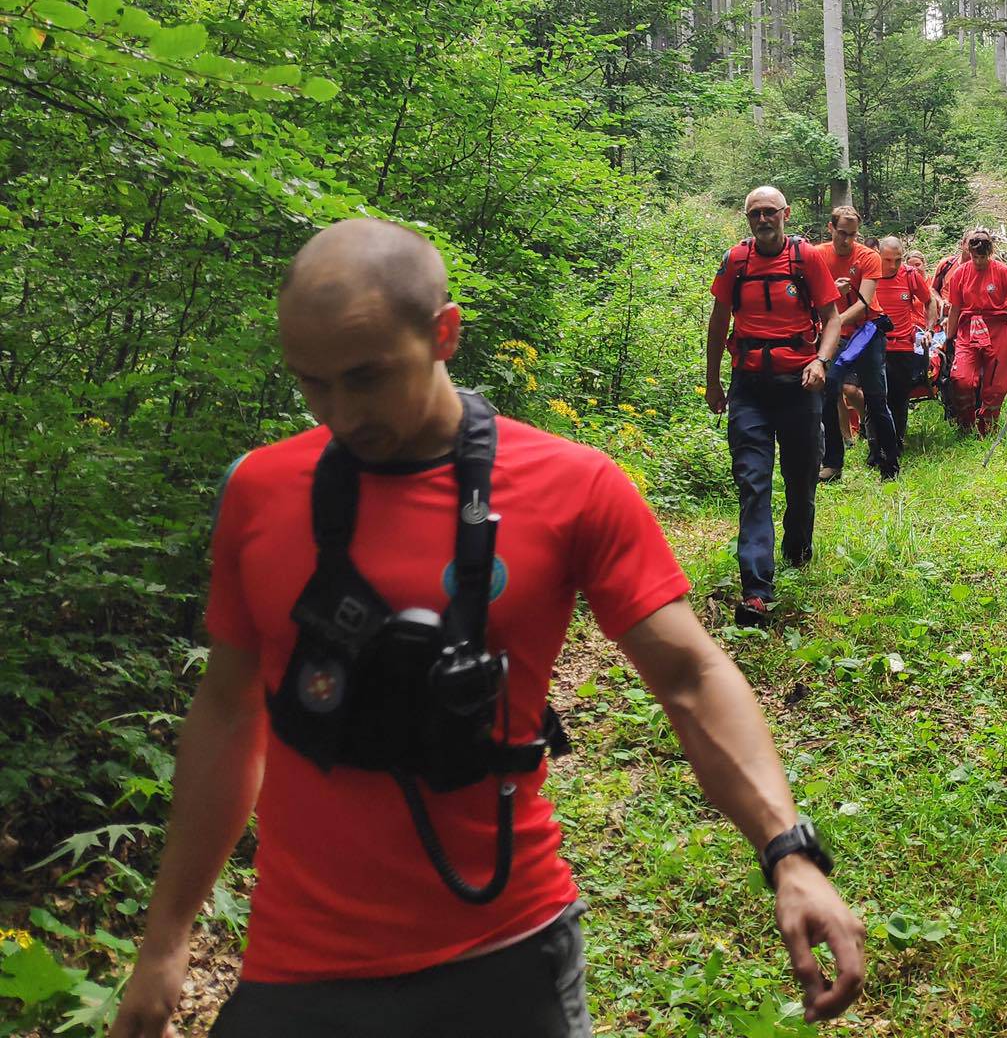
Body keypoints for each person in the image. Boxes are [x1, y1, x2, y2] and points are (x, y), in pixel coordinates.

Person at [109, 218, 865, 1038]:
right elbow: (226, 714)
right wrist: (164, 940)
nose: (338, 411)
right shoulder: (259, 492)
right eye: (312, 384)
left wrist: (788, 850)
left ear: (445, 333)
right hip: (299, 969)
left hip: (509, 954)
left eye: (365, 377)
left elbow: (691, 677)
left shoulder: (570, 486)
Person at [707, 187, 846, 625]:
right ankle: (757, 590)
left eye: (770, 212)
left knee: (802, 480)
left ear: (786, 214)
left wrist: (822, 361)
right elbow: (718, 321)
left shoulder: (807, 259)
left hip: (800, 386)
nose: (763, 220)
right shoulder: (736, 262)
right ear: (747, 218)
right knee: (753, 482)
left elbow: (833, 318)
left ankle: (798, 547)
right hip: (749, 386)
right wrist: (713, 380)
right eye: (755, 214)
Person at [817, 205, 897, 481]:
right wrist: (831, 299)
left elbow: (864, 301)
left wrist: (835, 320)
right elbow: (810, 299)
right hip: (835, 335)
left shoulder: (868, 257)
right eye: (842, 233)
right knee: (828, 391)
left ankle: (888, 460)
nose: (848, 240)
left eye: (853, 234)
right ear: (831, 229)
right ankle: (832, 463)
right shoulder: (818, 256)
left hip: (867, 333)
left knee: (876, 397)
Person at [941, 228, 1007, 437]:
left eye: (983, 257)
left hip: (997, 327)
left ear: (990, 253)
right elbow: (956, 308)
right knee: (961, 379)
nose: (978, 261)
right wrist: (949, 339)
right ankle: (966, 421)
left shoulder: (1003, 272)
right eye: (975, 257)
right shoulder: (960, 273)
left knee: (996, 385)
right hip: (968, 328)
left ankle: (987, 427)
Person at [869, 236, 933, 458]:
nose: (893, 265)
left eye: (897, 260)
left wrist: (929, 330)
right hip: (875, 345)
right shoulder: (870, 274)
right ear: (879, 255)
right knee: (876, 398)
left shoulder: (910, 275)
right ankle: (875, 449)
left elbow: (929, 301)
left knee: (899, 398)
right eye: (888, 259)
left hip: (904, 347)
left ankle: (896, 443)